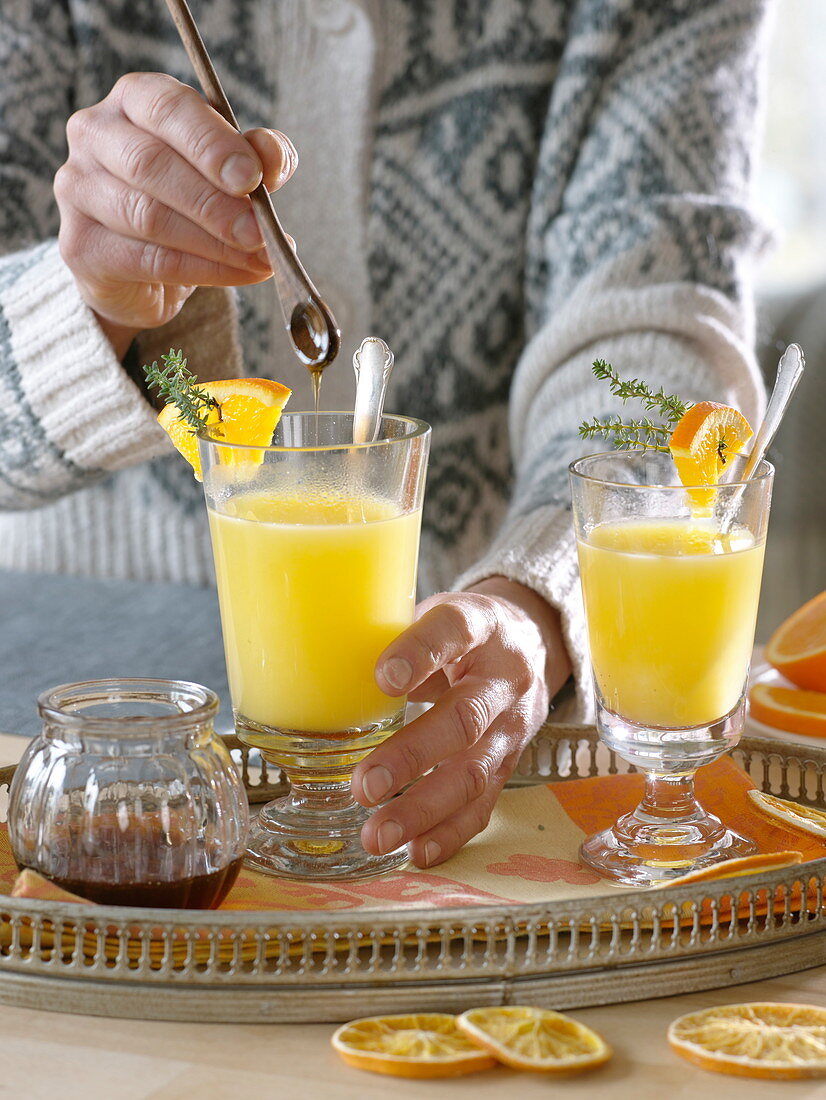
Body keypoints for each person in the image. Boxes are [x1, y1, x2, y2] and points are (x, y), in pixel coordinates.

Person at [0, 0, 769, 868]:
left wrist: (539, 596)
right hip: (51, 757)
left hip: (455, 763)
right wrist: (90, 306)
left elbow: (653, 337)